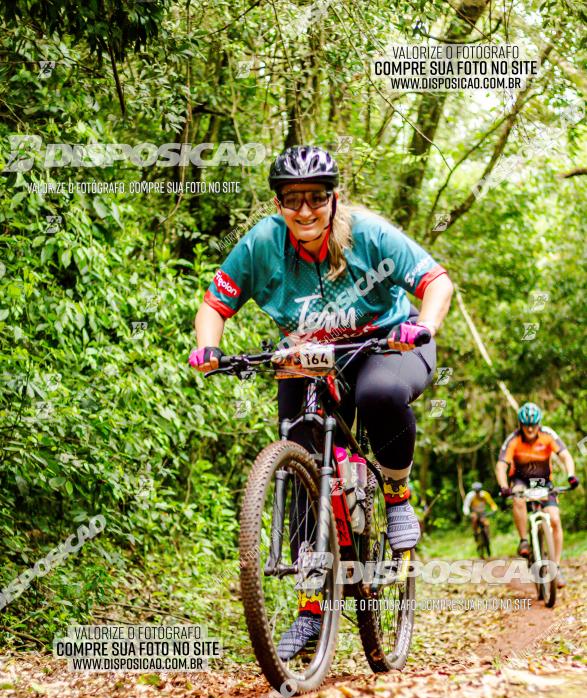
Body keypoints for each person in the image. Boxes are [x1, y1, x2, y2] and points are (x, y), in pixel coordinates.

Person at [191, 145, 454, 657]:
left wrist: (422, 326)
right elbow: (214, 304)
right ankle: (312, 610)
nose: (305, 210)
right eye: (293, 200)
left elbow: (436, 281)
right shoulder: (263, 244)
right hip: (308, 355)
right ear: (278, 203)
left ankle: (396, 496)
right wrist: (207, 346)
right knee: (301, 460)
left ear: (334, 198)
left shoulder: (369, 235)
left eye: (316, 198)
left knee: (380, 394)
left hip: (383, 345)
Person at [496, 402, 579, 586]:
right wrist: (503, 486)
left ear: (539, 423)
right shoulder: (513, 439)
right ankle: (524, 540)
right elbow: (501, 465)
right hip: (521, 481)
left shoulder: (548, 435)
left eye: (534, 425)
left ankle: (555, 568)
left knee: (555, 520)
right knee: (517, 496)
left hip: (544, 482)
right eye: (526, 425)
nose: (531, 429)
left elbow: (565, 455)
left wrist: (571, 475)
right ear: (520, 425)